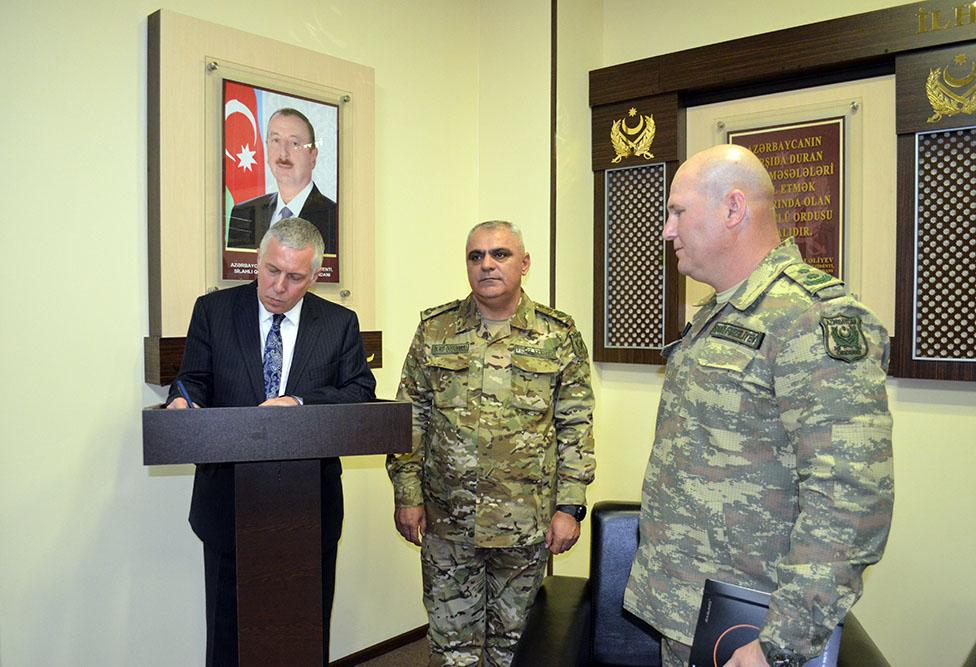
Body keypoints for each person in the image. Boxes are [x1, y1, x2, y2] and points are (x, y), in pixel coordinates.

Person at [623, 144, 894, 667]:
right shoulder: (721, 311)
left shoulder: (811, 318)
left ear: (733, 208)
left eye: (678, 211)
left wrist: (779, 644)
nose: (667, 230)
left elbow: (850, 498)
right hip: (687, 608)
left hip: (750, 628)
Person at [167, 217, 375, 665]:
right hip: (227, 501)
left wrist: (299, 402)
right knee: (228, 639)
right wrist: (182, 401)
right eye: (271, 270)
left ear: (314, 276)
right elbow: (192, 379)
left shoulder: (338, 322)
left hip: (309, 507)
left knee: (304, 635)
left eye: (294, 277)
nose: (279, 286)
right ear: (258, 261)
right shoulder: (213, 311)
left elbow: (360, 391)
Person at [387, 220, 595, 666]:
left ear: (525, 263)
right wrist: (407, 495)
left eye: (500, 254)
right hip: (448, 521)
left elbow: (575, 424)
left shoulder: (557, 334)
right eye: (475, 256)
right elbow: (409, 419)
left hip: (526, 522)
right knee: (451, 650)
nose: (487, 264)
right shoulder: (436, 330)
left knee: (516, 648)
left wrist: (570, 506)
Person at [227, 108, 338, 254]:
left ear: (313, 155)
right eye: (276, 140)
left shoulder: (335, 217)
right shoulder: (244, 213)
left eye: (294, 143)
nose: (283, 154)